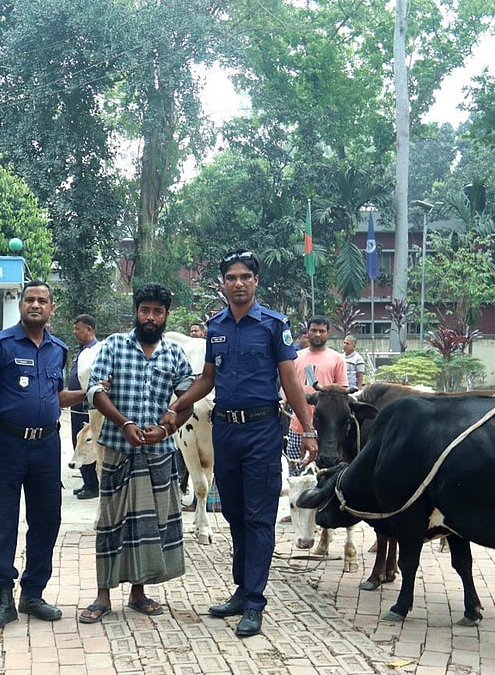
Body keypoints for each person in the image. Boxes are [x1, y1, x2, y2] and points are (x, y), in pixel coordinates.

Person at [160, 250, 317, 638]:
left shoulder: (273, 325)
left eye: (246, 276)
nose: (239, 283)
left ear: (255, 281)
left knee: (258, 515)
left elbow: (291, 382)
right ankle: (240, 590)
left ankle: (254, 602)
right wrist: (177, 404)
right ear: (224, 283)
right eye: (232, 277)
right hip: (225, 431)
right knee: (232, 511)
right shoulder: (215, 327)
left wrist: (309, 429)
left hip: (262, 431)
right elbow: (207, 380)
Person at [0, 281, 85, 631]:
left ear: (52, 308)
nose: (35, 304)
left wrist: (90, 394)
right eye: (29, 299)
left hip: (47, 446)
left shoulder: (58, 350)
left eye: (42, 300)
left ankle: (33, 593)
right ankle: (3, 598)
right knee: (3, 521)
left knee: (47, 520)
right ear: (21, 305)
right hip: (5, 445)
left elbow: (55, 396)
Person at [79, 284, 194, 623]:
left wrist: (167, 428)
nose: (150, 317)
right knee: (110, 520)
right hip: (117, 447)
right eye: (145, 310)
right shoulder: (114, 345)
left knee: (148, 525)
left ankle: (139, 593)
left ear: (165, 315)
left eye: (158, 311)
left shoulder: (173, 354)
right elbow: (95, 390)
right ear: (136, 311)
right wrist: (125, 423)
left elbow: (186, 400)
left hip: (159, 451)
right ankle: (102, 596)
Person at [286, 316, 346, 462]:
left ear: (328, 333)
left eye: (322, 331)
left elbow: (342, 391)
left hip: (326, 431)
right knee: (297, 470)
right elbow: (286, 385)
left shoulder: (337, 358)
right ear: (307, 332)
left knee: (324, 471)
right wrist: (282, 400)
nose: (318, 334)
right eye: (314, 330)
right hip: (298, 425)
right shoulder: (295, 357)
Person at [69, 314, 100, 500]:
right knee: (77, 443)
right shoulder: (82, 350)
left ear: (89, 329)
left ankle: (93, 485)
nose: (75, 332)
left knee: (87, 444)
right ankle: (86, 481)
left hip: (86, 407)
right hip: (75, 406)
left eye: (77, 329)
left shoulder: (97, 350)